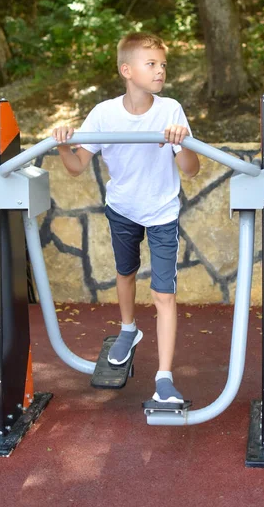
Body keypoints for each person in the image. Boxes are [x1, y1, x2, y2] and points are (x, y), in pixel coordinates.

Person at [52, 32, 200, 403]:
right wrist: (61, 144)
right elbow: (75, 167)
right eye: (151, 64)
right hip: (122, 209)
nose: (160, 70)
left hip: (162, 210)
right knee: (125, 273)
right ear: (127, 70)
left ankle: (164, 376)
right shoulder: (104, 114)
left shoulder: (170, 110)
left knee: (164, 293)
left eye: (163, 64)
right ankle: (128, 329)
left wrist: (179, 143)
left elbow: (192, 169)